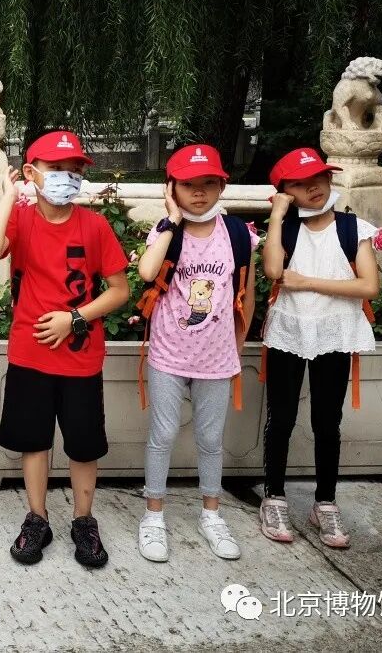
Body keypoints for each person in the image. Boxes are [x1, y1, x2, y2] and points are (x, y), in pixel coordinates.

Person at [0, 130, 130, 568]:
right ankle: (37, 517)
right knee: (34, 440)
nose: (67, 176)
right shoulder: (21, 219)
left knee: (83, 444)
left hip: (81, 356)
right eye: (56, 168)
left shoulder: (94, 226)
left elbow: (119, 290)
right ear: (31, 172)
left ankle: (84, 519)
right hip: (30, 354)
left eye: (74, 169)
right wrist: (10, 197)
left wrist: (74, 318)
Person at [135, 144, 257, 562]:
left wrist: (237, 345)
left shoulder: (237, 235)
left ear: (222, 186)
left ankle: (212, 514)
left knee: (210, 439)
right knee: (163, 434)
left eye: (208, 183)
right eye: (188, 185)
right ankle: (153, 515)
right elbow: (146, 272)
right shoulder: (167, 232)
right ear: (172, 188)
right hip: (169, 353)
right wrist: (172, 219)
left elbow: (247, 294)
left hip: (217, 357)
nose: (199, 192)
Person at [259, 147, 380, 548]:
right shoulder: (288, 229)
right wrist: (277, 215)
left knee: (327, 422)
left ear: (329, 178)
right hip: (289, 331)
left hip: (335, 332)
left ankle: (325, 502)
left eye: (318, 178)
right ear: (285, 191)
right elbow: (273, 270)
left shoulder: (352, 228)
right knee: (282, 418)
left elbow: (369, 286)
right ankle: (274, 498)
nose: (313, 187)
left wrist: (307, 282)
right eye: (299, 184)